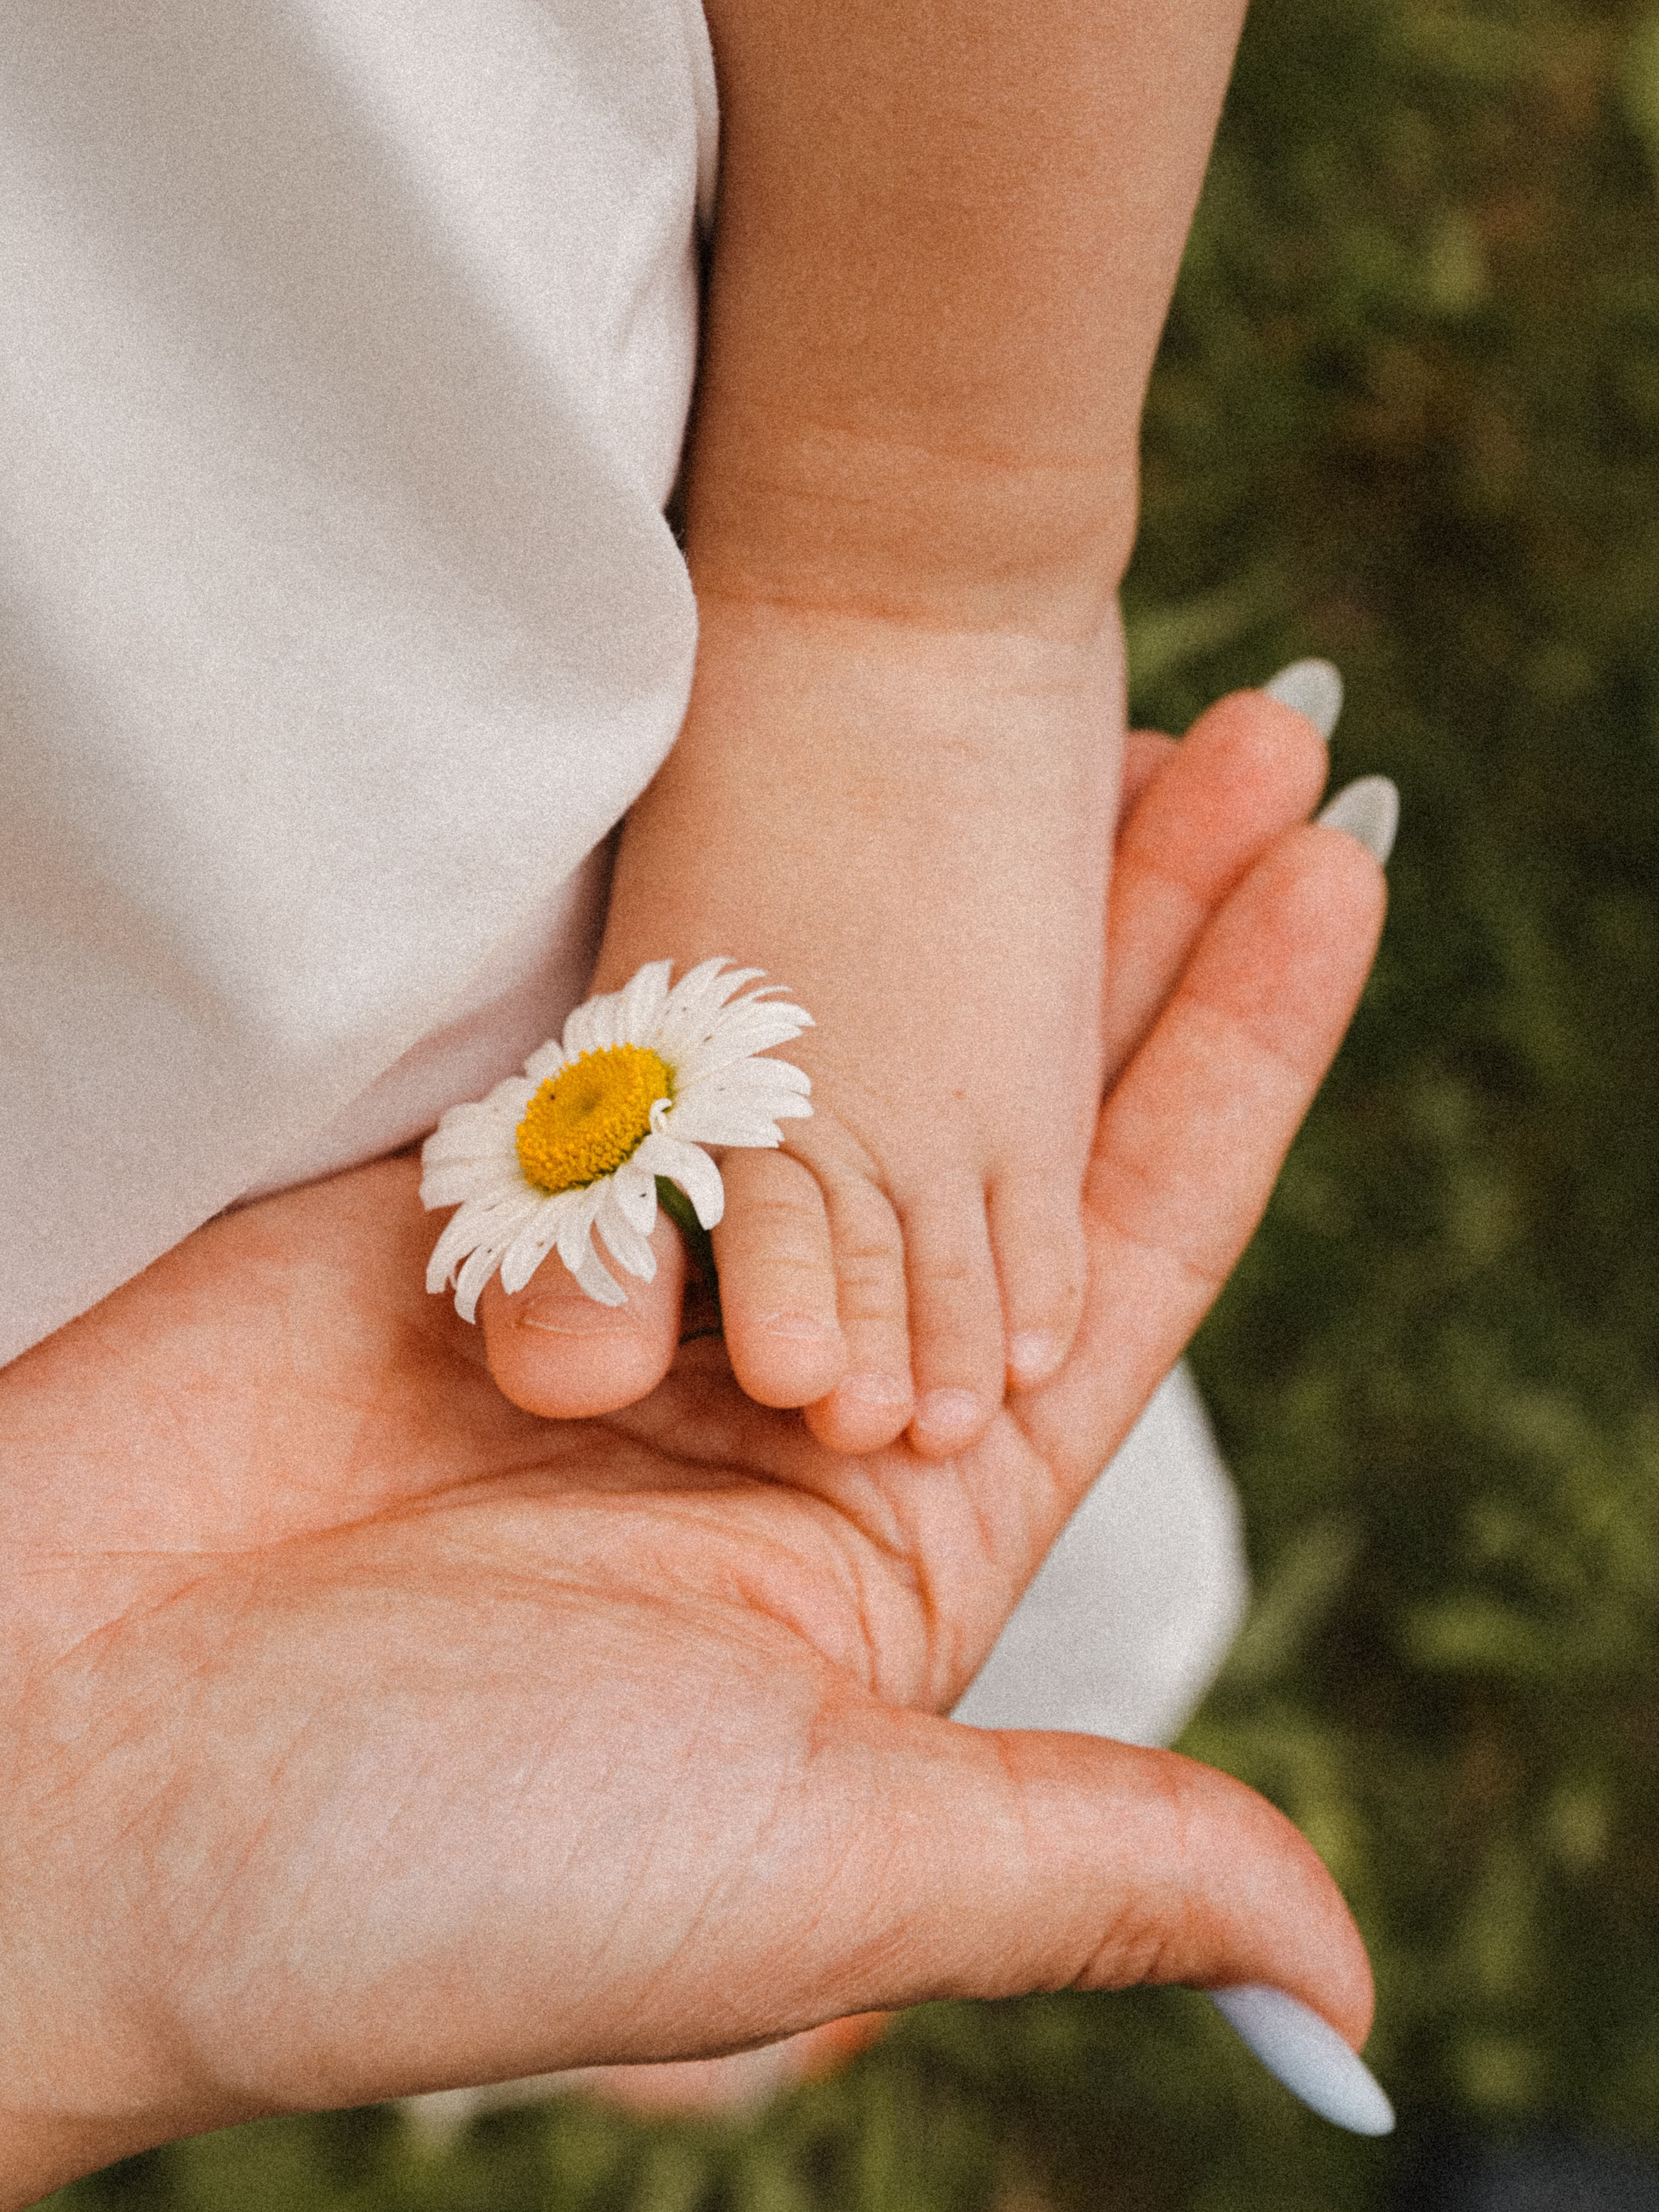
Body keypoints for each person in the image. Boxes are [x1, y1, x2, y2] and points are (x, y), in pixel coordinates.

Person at [0, 694, 1386, 2206]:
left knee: (920, 1422)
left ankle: (638, 1994)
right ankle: (639, 2001)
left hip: (562, 934)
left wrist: (871, 666)